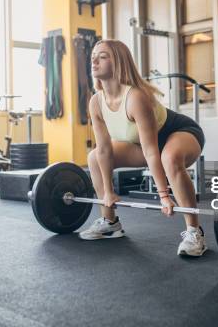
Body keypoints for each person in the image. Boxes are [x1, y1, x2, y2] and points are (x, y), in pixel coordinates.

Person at [79, 39, 207, 257]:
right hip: (143, 144)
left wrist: (163, 195)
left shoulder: (135, 97)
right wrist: (109, 192)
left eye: (103, 56)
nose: (94, 61)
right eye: (93, 56)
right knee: (93, 158)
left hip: (179, 132)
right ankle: (110, 221)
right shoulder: (96, 102)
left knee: (169, 158)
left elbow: (151, 151)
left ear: (118, 62)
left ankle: (194, 232)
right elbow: (104, 150)